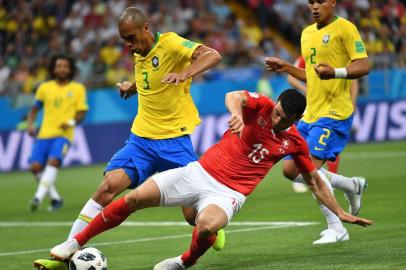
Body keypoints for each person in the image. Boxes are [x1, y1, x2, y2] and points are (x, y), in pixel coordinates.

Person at [49, 89, 373, 270]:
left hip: (229, 194)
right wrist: (234, 112)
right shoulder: (260, 106)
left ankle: (184, 262)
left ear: (296, 120)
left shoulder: (295, 143)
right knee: (133, 198)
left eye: (284, 119)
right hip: (198, 173)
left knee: (206, 225)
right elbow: (234, 95)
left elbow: (314, 180)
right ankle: (75, 242)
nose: (276, 120)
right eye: (276, 114)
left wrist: (339, 212)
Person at [33, 7, 222, 270]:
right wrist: (131, 87)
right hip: (141, 140)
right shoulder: (139, 51)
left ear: (146, 28)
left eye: (132, 38)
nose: (129, 46)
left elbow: (213, 55)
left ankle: (211, 229)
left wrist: (185, 73)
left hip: (175, 141)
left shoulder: (170, 43)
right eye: (125, 41)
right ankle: (68, 249)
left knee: (193, 215)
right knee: (108, 187)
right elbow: (150, 79)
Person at [265, 0, 371, 244]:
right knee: (290, 171)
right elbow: (312, 76)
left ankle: (337, 228)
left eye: (320, 1)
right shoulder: (307, 33)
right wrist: (288, 68)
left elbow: (364, 65)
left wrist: (337, 72)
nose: (314, 6)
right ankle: (350, 185)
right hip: (311, 113)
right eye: (311, 2)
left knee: (308, 170)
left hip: (333, 114)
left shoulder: (345, 28)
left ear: (332, 3)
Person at [287, 56, 360, 194]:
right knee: (304, 152)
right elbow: (291, 78)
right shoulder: (307, 56)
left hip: (334, 110)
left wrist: (353, 102)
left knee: (325, 152)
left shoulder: (338, 55)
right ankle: (340, 183)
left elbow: (353, 79)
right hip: (312, 109)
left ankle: (330, 184)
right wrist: (305, 89)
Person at [27, 54, 88, 212]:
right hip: (44, 134)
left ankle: (38, 198)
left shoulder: (78, 88)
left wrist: (71, 122)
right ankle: (55, 199)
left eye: (65, 66)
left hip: (63, 135)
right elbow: (34, 109)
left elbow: (81, 112)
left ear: (71, 69)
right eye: (59, 66)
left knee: (53, 162)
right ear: (53, 69)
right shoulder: (44, 88)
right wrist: (30, 125)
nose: (62, 69)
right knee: (35, 167)